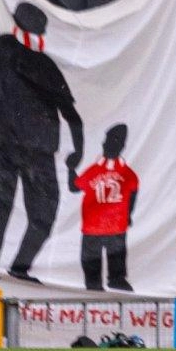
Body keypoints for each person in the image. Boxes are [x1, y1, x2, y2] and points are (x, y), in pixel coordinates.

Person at [0, 2, 83, 283]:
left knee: (9, 209)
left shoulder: (21, 55)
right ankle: (2, 266)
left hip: (26, 147)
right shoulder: (17, 53)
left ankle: (3, 267)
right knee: (21, 211)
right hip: (23, 146)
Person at [71, 125, 138, 293]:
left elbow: (75, 186)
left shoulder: (123, 172)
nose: (104, 144)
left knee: (113, 258)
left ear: (120, 145)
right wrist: (70, 170)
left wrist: (70, 170)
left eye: (108, 140)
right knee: (98, 260)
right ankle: (100, 283)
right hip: (98, 226)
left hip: (109, 225)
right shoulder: (102, 170)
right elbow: (75, 187)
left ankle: (112, 280)